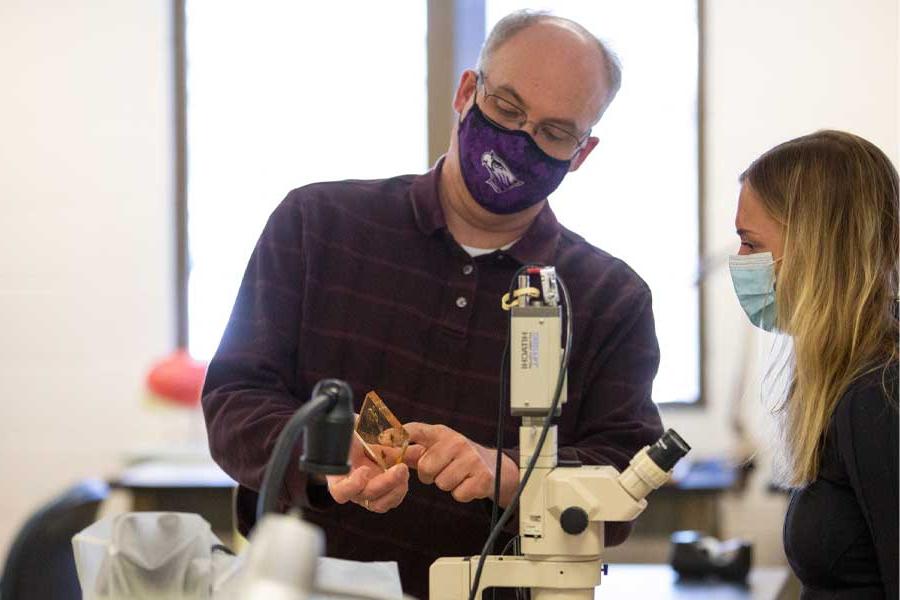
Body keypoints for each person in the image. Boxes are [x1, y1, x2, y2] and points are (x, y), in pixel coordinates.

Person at [203, 10, 664, 598]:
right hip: (310, 585)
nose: (521, 140)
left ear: (582, 152)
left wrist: (511, 475)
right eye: (507, 109)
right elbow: (234, 400)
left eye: (553, 133)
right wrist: (324, 455)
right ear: (467, 91)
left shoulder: (609, 298)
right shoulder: (317, 226)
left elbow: (624, 478)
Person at [730, 130, 898, 599]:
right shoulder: (846, 378)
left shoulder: (880, 394)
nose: (740, 260)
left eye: (749, 242)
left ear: (815, 247)